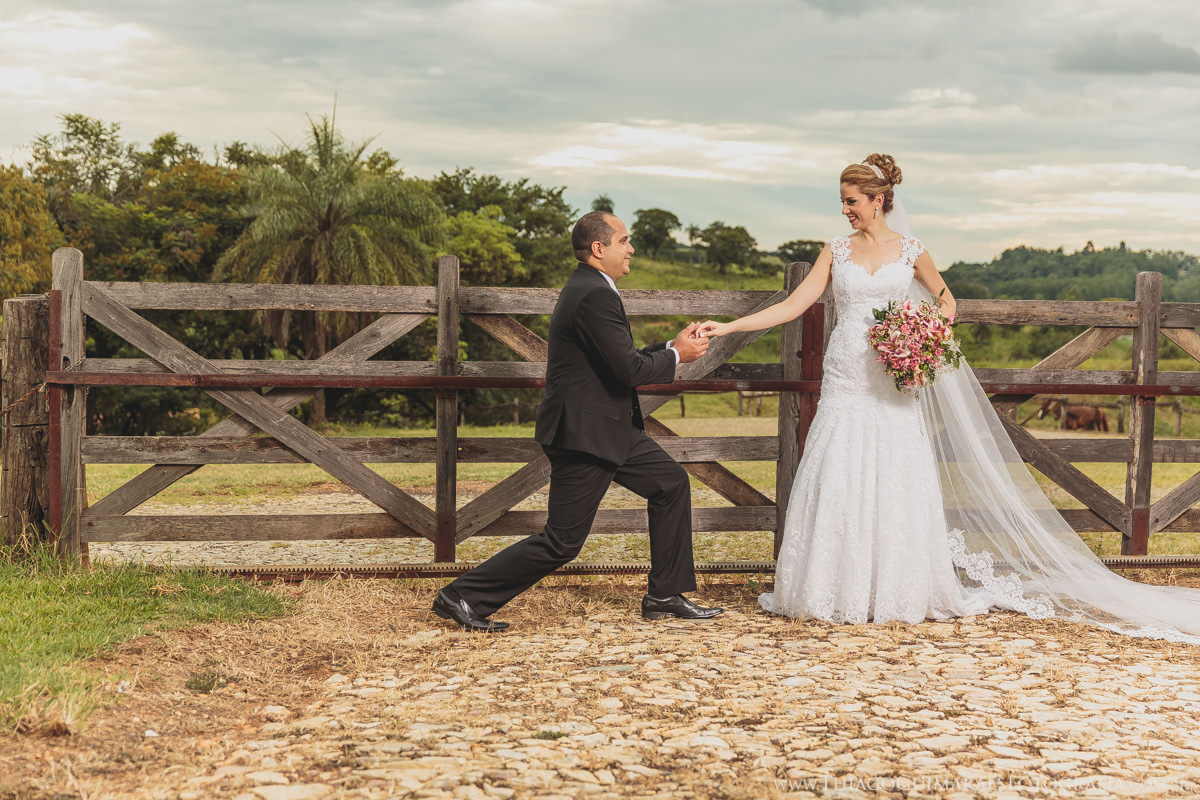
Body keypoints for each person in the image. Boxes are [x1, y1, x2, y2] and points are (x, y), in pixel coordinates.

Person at [698, 154, 1200, 643]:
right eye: (843, 202)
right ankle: (832, 588)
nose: (845, 210)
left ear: (878, 201)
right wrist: (730, 326)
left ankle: (896, 588)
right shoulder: (837, 250)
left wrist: (924, 334)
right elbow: (794, 303)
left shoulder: (912, 249)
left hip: (895, 377)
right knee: (838, 463)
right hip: (847, 374)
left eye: (852, 201)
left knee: (895, 469)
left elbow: (945, 298)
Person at [433, 211, 724, 632]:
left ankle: (664, 594)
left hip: (609, 428)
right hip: (585, 433)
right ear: (599, 248)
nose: (632, 249)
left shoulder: (591, 289)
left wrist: (668, 345)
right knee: (561, 542)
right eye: (624, 240)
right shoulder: (594, 295)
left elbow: (616, 358)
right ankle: (461, 596)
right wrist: (678, 356)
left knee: (670, 484)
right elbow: (628, 371)